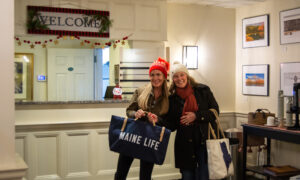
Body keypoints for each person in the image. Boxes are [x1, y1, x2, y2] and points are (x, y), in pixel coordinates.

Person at [155, 62, 219, 180]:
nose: (179, 79)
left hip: (204, 141)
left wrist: (196, 116)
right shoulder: (172, 98)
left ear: (187, 76)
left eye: (182, 75)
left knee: (204, 175)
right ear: (172, 79)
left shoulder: (203, 90)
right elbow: (172, 125)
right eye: (175, 76)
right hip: (185, 144)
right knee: (187, 176)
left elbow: (215, 111)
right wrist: (157, 119)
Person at [114, 57, 170, 180]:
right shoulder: (140, 91)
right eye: (152, 75)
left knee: (145, 176)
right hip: (132, 135)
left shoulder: (169, 97)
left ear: (164, 76)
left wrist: (157, 120)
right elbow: (129, 111)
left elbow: (169, 122)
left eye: (158, 74)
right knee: (121, 173)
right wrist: (136, 114)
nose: (155, 78)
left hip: (150, 139)